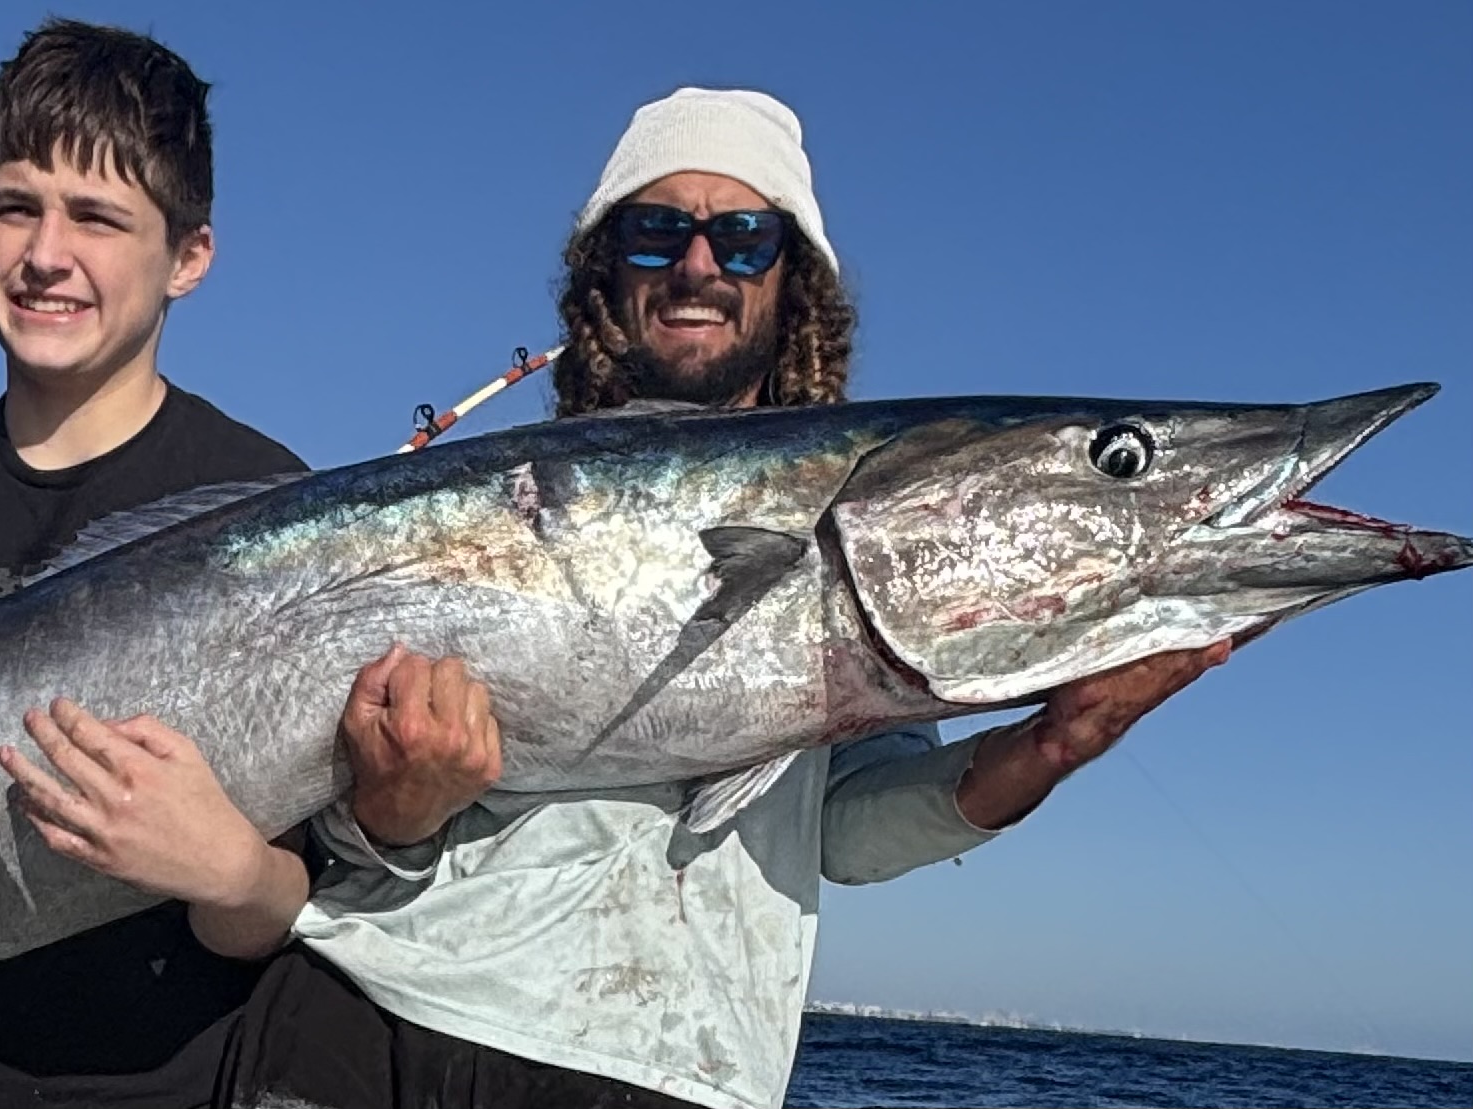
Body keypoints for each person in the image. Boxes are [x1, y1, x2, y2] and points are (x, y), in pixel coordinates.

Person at [215, 87, 1232, 1109]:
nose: (697, 264)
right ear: (605, 269)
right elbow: (312, 798)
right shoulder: (480, 497)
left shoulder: (865, 528)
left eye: (741, 236)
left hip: (680, 1066)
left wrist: (1046, 748)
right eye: (657, 230)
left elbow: (839, 832)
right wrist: (390, 809)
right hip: (372, 1015)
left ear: (792, 280)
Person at [0, 19, 463, 1109]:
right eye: (15, 206)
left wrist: (223, 866)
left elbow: (306, 898)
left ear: (187, 256)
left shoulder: (273, 505)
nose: (46, 253)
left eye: (97, 217)